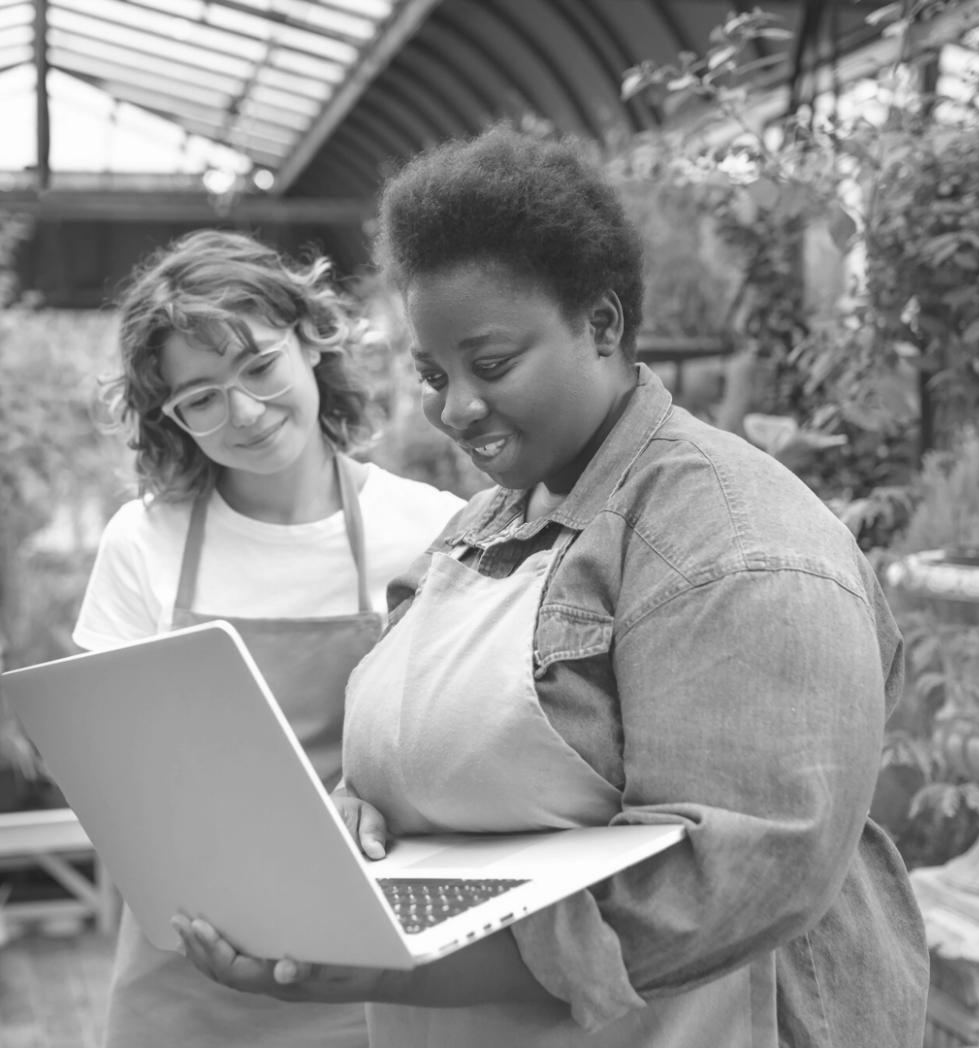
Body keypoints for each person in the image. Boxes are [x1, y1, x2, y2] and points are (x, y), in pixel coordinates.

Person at [173, 128, 930, 1046]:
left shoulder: (737, 545)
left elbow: (732, 877)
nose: (456, 408)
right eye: (432, 374)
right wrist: (361, 812)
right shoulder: (481, 527)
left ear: (601, 324)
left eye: (490, 365)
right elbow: (417, 753)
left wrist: (383, 962)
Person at [74, 228, 465, 1048]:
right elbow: (107, 774)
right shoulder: (141, 542)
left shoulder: (429, 531)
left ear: (312, 339)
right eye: (201, 398)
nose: (244, 413)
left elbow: (469, 751)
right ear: (170, 418)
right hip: (186, 970)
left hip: (373, 969)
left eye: (257, 366)